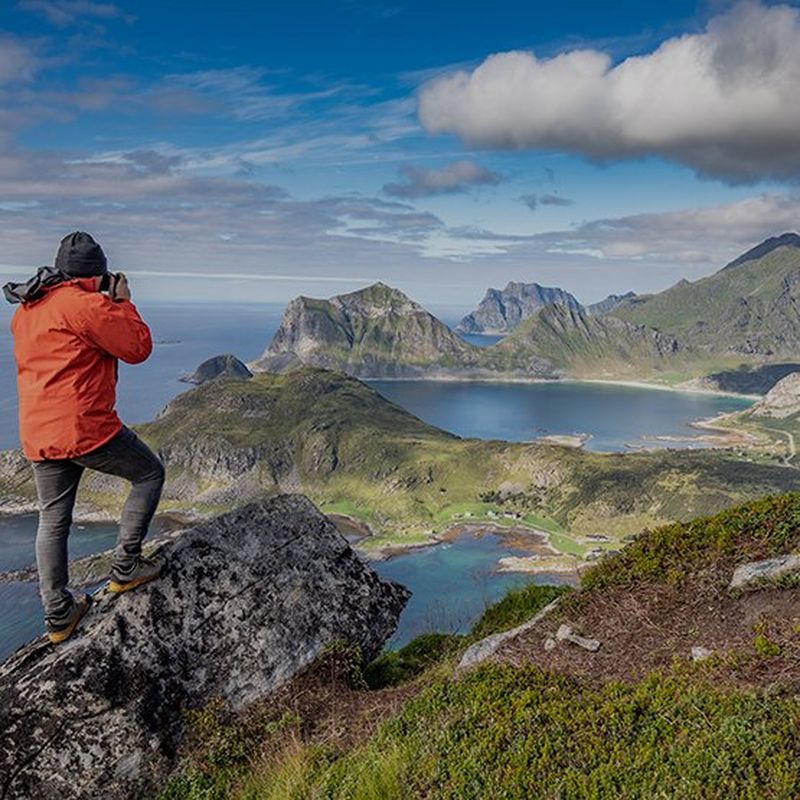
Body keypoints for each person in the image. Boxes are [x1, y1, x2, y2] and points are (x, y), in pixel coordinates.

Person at [4, 232, 166, 644]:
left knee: (53, 519)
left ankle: (59, 613)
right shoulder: (86, 305)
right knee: (149, 474)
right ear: (96, 274)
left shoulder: (28, 309)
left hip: (40, 431)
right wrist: (123, 302)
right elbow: (137, 347)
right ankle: (126, 565)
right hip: (83, 428)